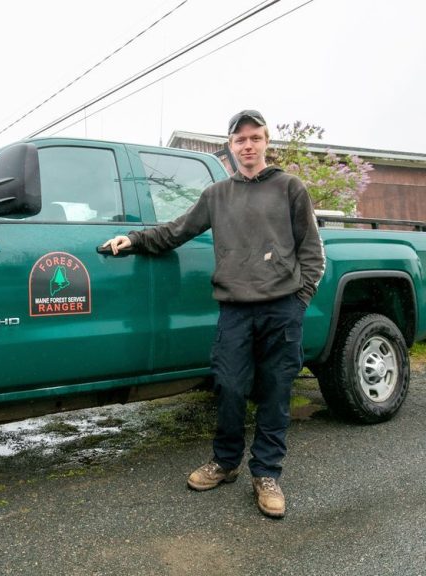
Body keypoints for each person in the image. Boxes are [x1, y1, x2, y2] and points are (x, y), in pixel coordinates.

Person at [102, 110, 325, 518]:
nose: (248, 146)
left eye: (255, 138)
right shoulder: (217, 195)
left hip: (282, 308)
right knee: (229, 386)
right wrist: (132, 239)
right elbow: (176, 231)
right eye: (240, 140)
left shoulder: (290, 187)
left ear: (265, 142)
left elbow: (312, 250)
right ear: (230, 146)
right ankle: (225, 462)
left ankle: (267, 473)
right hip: (235, 310)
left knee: (276, 392)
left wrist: (300, 299)